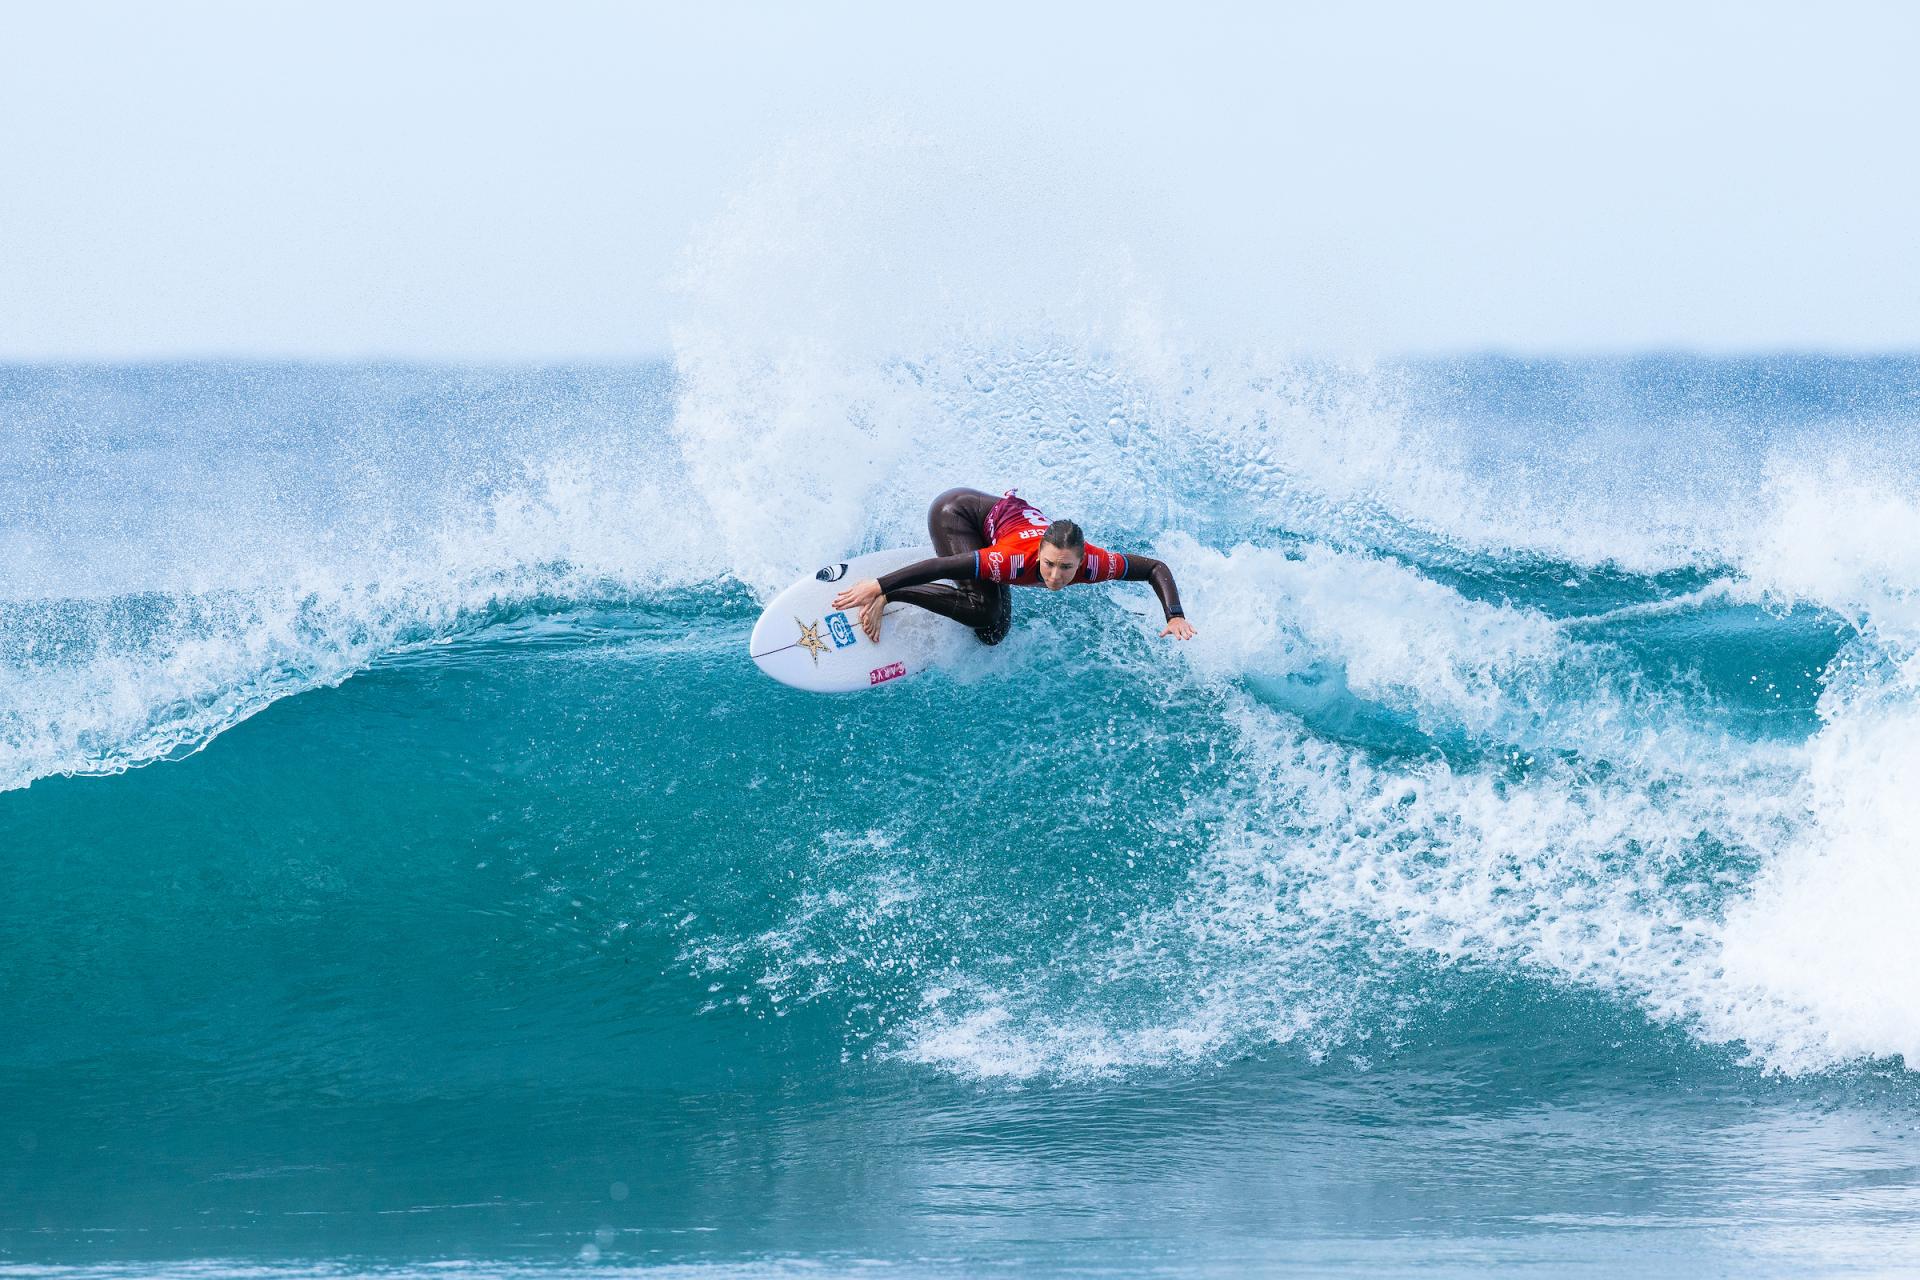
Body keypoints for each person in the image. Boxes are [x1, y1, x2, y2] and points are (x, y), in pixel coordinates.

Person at [830, 488, 1196, 646]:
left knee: (991, 636)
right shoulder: (1013, 559)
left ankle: (956, 589)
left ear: (1082, 561)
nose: (1055, 577)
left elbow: (1154, 569)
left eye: (1066, 569)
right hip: (956, 513)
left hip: (997, 530)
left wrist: (1174, 615)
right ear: (1040, 551)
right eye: (1050, 565)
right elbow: (940, 565)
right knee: (983, 609)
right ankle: (892, 595)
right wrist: (879, 586)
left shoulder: (1096, 563)